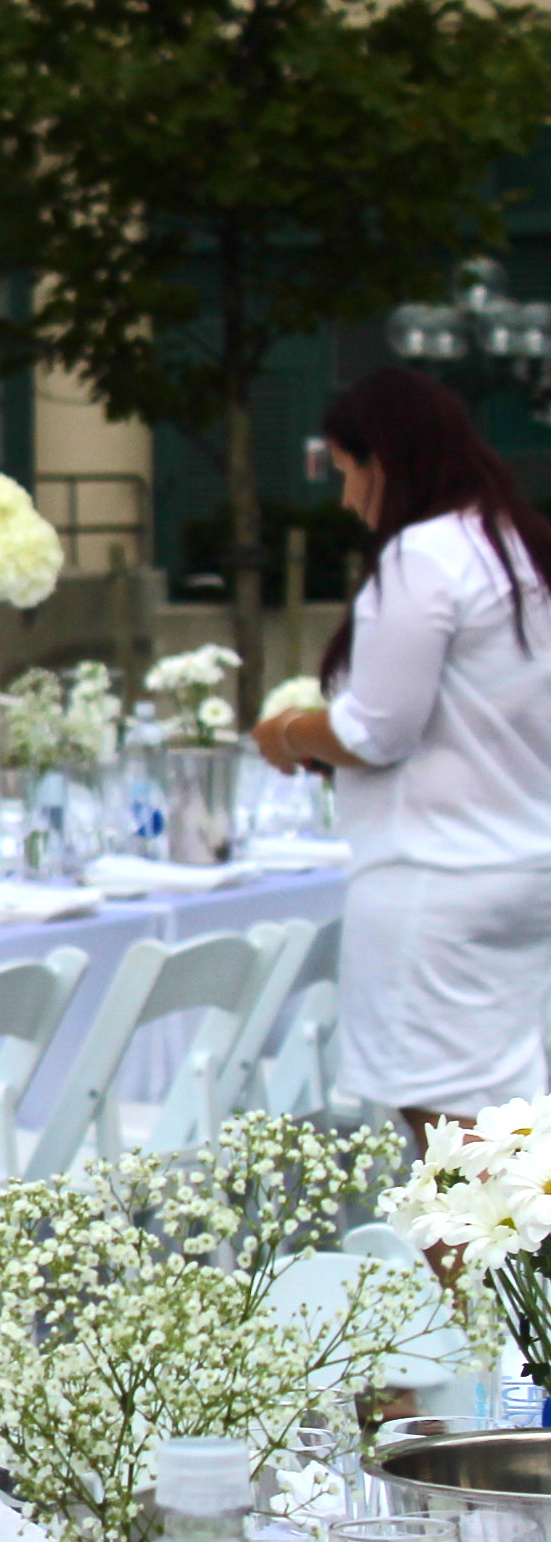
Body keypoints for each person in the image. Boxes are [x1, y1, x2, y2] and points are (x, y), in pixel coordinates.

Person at [255, 367, 551, 1134]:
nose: (347, 499)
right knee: (508, 1148)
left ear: (380, 462)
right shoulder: (514, 544)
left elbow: (373, 730)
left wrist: (286, 730)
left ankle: (480, 1265)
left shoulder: (424, 553)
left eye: (348, 473)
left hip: (436, 881)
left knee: (454, 1159)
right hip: (514, 865)